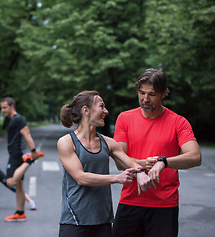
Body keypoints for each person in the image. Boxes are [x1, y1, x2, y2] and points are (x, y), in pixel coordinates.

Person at [112, 68, 202, 237]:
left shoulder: (178, 122)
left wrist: (164, 162)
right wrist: (143, 165)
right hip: (130, 201)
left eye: (152, 94)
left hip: (165, 205)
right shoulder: (124, 118)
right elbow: (119, 161)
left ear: (163, 93)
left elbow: (195, 157)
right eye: (141, 93)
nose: (145, 99)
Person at [57, 90, 152, 237]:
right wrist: (116, 178)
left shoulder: (108, 142)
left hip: (103, 220)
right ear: (86, 110)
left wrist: (141, 172)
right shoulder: (66, 142)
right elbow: (81, 178)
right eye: (102, 106)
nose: (106, 111)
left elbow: (130, 163)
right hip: (74, 220)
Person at [0, 97, 43, 222]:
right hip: (15, 154)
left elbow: (27, 134)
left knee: (11, 182)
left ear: (12, 106)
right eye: (1, 107)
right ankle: (20, 212)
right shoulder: (14, 119)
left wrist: (33, 151)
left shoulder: (18, 119)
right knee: (19, 185)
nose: (2, 110)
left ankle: (29, 160)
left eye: (5, 107)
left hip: (16, 155)